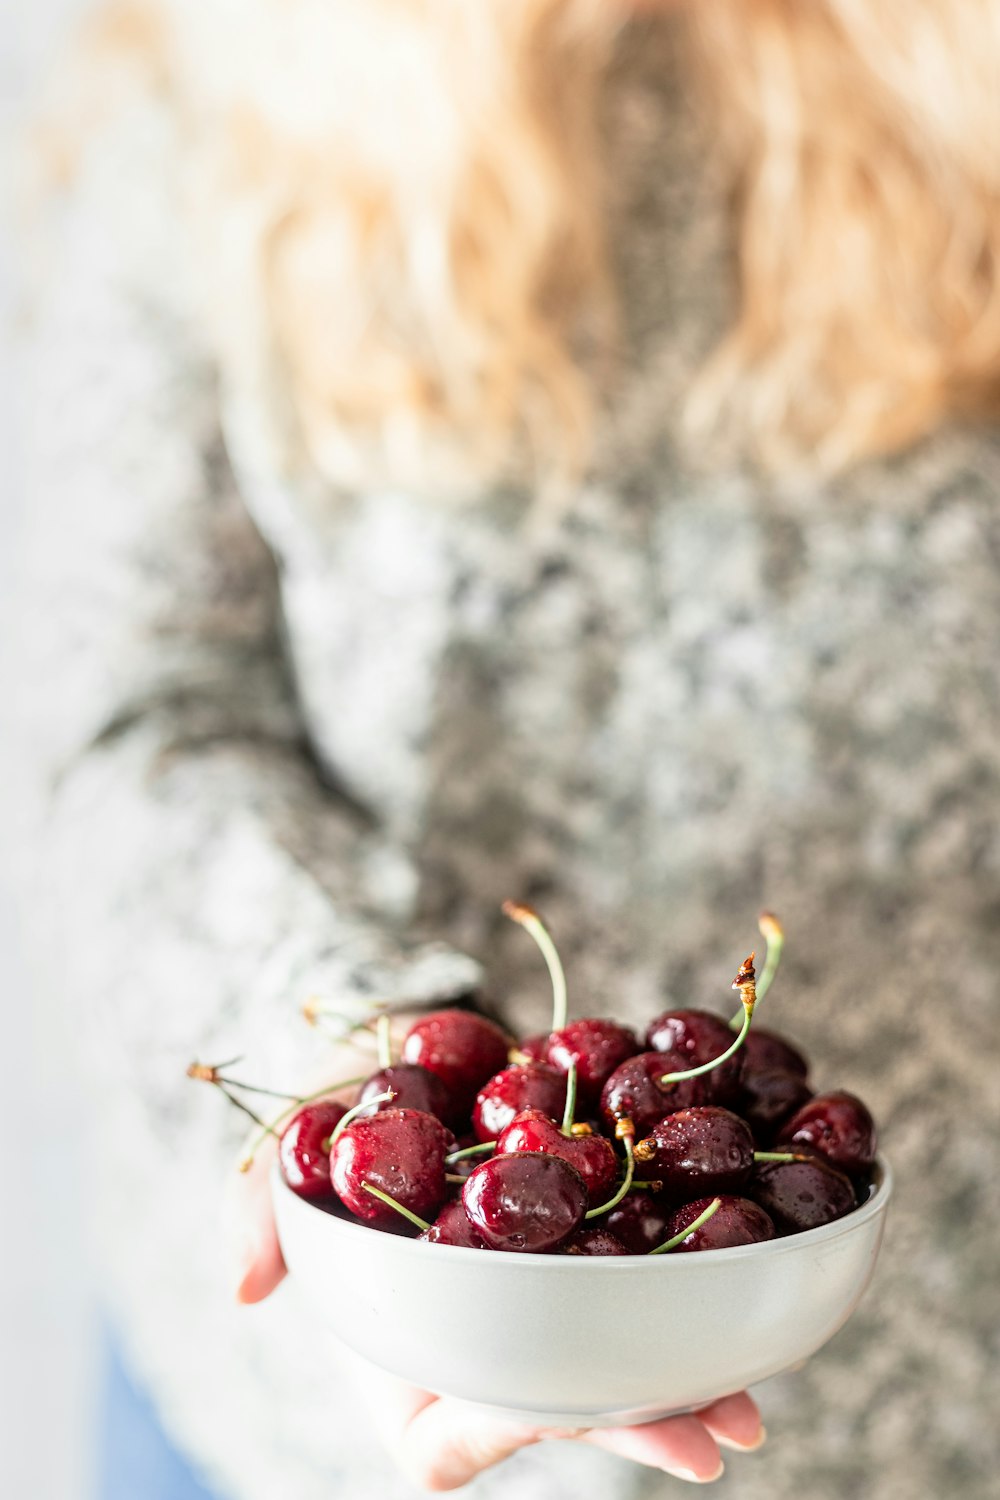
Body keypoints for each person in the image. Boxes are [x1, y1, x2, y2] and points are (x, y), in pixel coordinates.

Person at [16, 2, 1000, 1498]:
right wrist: (360, 1048)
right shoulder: (209, 89)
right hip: (327, 1373)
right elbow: (135, 710)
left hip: (934, 1383)